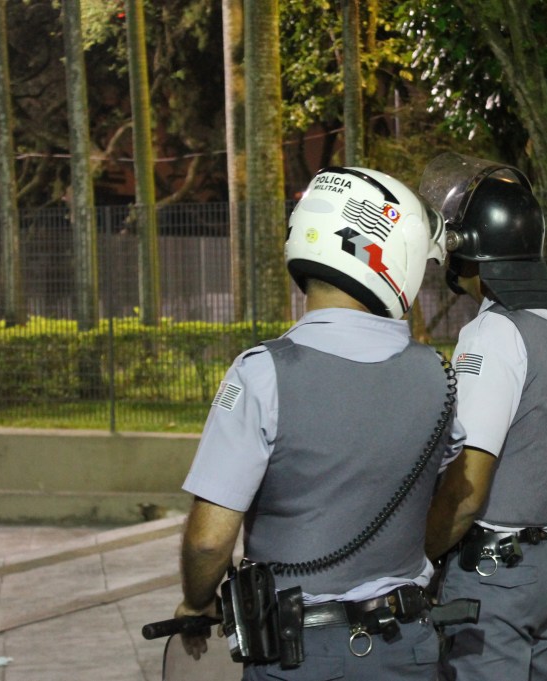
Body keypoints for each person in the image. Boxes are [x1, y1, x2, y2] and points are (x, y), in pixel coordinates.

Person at [172, 166, 463, 681]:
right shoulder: (439, 374)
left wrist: (197, 604)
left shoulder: (262, 372)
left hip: (299, 653)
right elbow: (451, 494)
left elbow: (208, 541)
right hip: (410, 646)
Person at [419, 152, 547, 681]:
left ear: (469, 250)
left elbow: (468, 486)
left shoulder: (495, 333)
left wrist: (421, 559)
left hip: (498, 575)